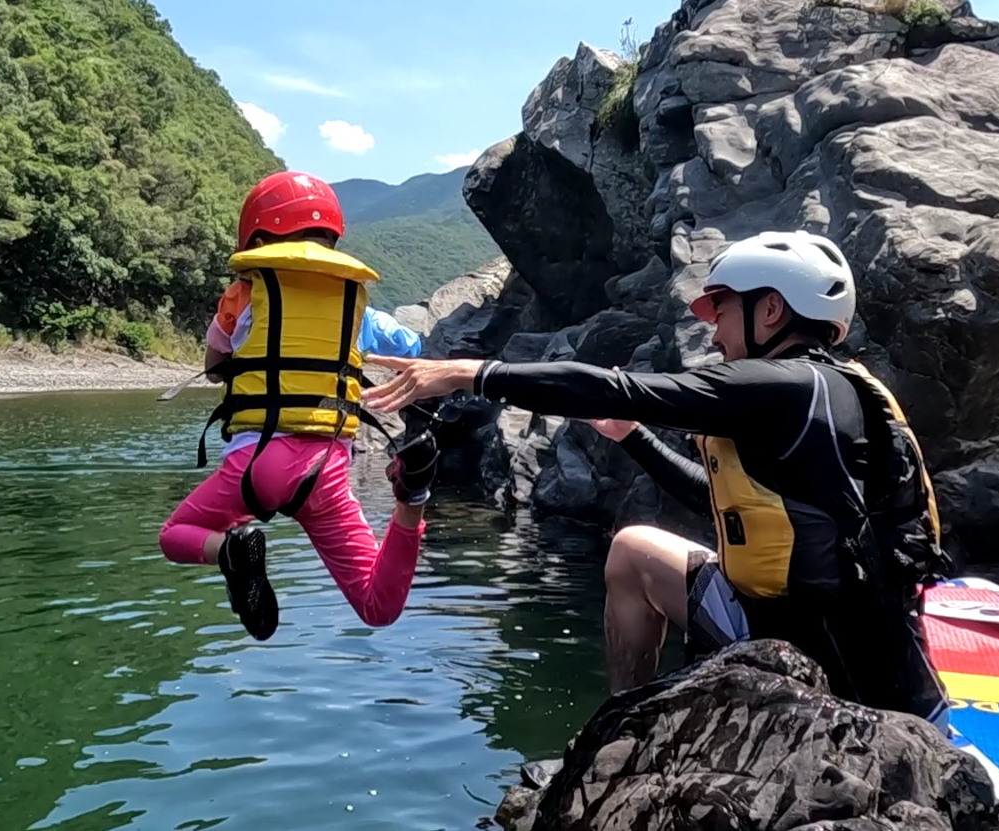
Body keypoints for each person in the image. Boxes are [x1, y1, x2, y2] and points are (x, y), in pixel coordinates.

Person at [362, 230, 951, 730]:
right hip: (820, 632)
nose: (715, 334)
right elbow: (719, 503)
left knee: (633, 551)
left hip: (833, 669)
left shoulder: (786, 387)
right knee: (632, 550)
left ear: (771, 310)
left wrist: (471, 373)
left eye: (722, 311)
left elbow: (613, 388)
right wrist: (633, 437)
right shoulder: (828, 389)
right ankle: (627, 725)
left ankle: (626, 739)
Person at [159, 171, 439, 641]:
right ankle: (412, 500)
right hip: (325, 471)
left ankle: (230, 553)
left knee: (176, 534)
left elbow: (214, 370)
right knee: (378, 606)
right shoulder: (355, 303)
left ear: (257, 238)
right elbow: (410, 345)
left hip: (254, 464)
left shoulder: (240, 296)